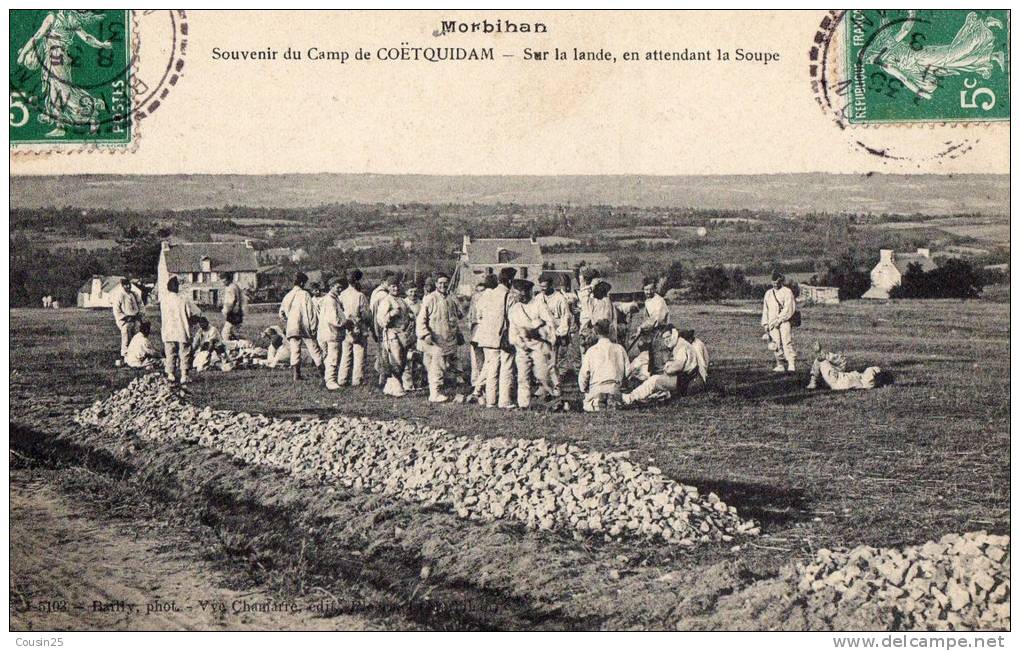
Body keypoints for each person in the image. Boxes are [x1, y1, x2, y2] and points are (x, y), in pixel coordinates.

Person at [622, 325, 701, 407]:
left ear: (674, 334)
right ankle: (656, 395)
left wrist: (667, 368)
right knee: (658, 380)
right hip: (689, 380)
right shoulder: (680, 343)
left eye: (668, 336)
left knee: (653, 380)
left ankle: (629, 398)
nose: (667, 340)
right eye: (665, 338)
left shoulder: (681, 346)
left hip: (688, 382)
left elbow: (678, 366)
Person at [508, 279, 556, 409]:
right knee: (522, 377)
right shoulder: (514, 309)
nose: (515, 296)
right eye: (514, 293)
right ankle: (523, 404)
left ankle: (553, 401)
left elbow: (550, 326)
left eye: (518, 293)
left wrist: (536, 331)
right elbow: (512, 332)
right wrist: (519, 341)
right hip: (522, 348)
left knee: (543, 376)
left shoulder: (539, 305)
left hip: (539, 347)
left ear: (526, 292)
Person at [416, 273, 463, 403]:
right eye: (440, 283)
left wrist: (458, 333)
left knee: (443, 365)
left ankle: (438, 389)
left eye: (445, 283)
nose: (443, 285)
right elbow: (421, 319)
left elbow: (455, 318)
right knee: (437, 366)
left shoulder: (450, 299)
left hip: (447, 338)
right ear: (436, 284)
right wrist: (425, 334)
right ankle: (434, 394)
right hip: (433, 339)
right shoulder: (430, 298)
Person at [475, 267, 516, 408]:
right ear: (510, 281)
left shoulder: (487, 295)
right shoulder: (509, 296)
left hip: (486, 336)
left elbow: (479, 313)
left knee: (491, 369)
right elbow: (512, 318)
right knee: (506, 368)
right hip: (502, 337)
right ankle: (504, 401)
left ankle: (491, 401)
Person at [279, 272, 322, 381]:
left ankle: (296, 375)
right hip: (304, 326)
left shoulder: (287, 295)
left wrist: (288, 320)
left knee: (295, 350)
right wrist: (314, 327)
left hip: (292, 327)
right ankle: (324, 373)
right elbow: (311, 312)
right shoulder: (305, 294)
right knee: (314, 349)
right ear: (302, 283)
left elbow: (281, 313)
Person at [578, 319, 629, 411]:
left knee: (588, 402)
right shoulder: (620, 349)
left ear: (596, 332)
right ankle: (611, 400)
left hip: (596, 388)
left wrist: (584, 389)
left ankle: (598, 402)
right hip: (614, 387)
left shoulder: (591, 351)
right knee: (615, 395)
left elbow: (583, 376)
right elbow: (628, 372)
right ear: (609, 331)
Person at [533, 273, 570, 397]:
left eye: (545, 287)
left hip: (554, 334)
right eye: (541, 287)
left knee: (552, 363)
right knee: (540, 361)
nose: (543, 289)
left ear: (551, 285)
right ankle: (542, 386)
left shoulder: (560, 298)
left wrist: (560, 334)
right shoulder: (538, 298)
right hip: (541, 334)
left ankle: (557, 386)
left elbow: (565, 317)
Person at [160, 276, 200, 384]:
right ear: (177, 287)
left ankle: (171, 374)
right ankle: (184, 375)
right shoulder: (183, 300)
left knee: (170, 352)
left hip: (168, 330)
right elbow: (196, 312)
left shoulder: (164, 301)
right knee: (184, 352)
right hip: (181, 328)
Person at [374, 276, 408, 397]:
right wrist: (391, 314)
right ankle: (396, 387)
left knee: (402, 361)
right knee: (395, 360)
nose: (396, 288)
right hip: (391, 334)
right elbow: (381, 320)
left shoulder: (401, 300)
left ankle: (389, 386)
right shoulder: (386, 301)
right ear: (388, 287)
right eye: (393, 286)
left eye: (397, 286)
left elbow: (407, 314)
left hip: (402, 334)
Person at [338, 269, 370, 386]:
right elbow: (366, 314)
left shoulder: (341, 295)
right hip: (358, 327)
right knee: (359, 354)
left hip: (346, 327)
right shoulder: (360, 296)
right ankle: (357, 380)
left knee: (346, 354)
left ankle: (342, 379)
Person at [807, 343, 884, 391]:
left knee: (820, 360)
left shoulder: (868, 380)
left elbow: (873, 371)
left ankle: (813, 382)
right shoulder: (867, 384)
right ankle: (814, 381)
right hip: (840, 379)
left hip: (837, 380)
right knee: (840, 360)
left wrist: (822, 353)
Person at [762, 271, 797, 372]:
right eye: (773, 282)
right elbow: (766, 309)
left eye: (777, 282)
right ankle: (780, 364)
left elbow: (789, 308)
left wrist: (780, 319)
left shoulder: (787, 292)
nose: (775, 284)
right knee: (775, 344)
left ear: (781, 281)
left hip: (784, 321)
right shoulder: (768, 294)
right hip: (772, 322)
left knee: (786, 342)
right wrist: (765, 324)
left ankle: (791, 364)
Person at [318, 276, 348, 390]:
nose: (340, 290)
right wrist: (346, 322)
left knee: (329, 357)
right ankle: (331, 381)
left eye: (341, 288)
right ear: (331, 287)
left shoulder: (331, 299)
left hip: (327, 332)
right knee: (333, 357)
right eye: (338, 288)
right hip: (332, 333)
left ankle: (327, 379)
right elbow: (334, 320)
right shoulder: (330, 300)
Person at [112, 277, 143, 362]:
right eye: (125, 285)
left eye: (129, 284)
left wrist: (140, 315)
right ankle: (125, 356)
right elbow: (116, 310)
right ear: (122, 286)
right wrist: (124, 317)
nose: (128, 286)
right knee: (126, 338)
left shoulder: (134, 294)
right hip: (126, 320)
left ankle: (136, 354)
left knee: (137, 337)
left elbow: (141, 305)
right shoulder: (120, 295)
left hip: (135, 318)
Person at [220, 271, 246, 341]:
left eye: (224, 280)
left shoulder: (231, 288)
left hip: (233, 314)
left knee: (225, 333)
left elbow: (230, 302)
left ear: (228, 279)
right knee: (234, 332)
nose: (223, 282)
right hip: (237, 313)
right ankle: (241, 345)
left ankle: (231, 347)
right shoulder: (234, 286)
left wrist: (225, 311)